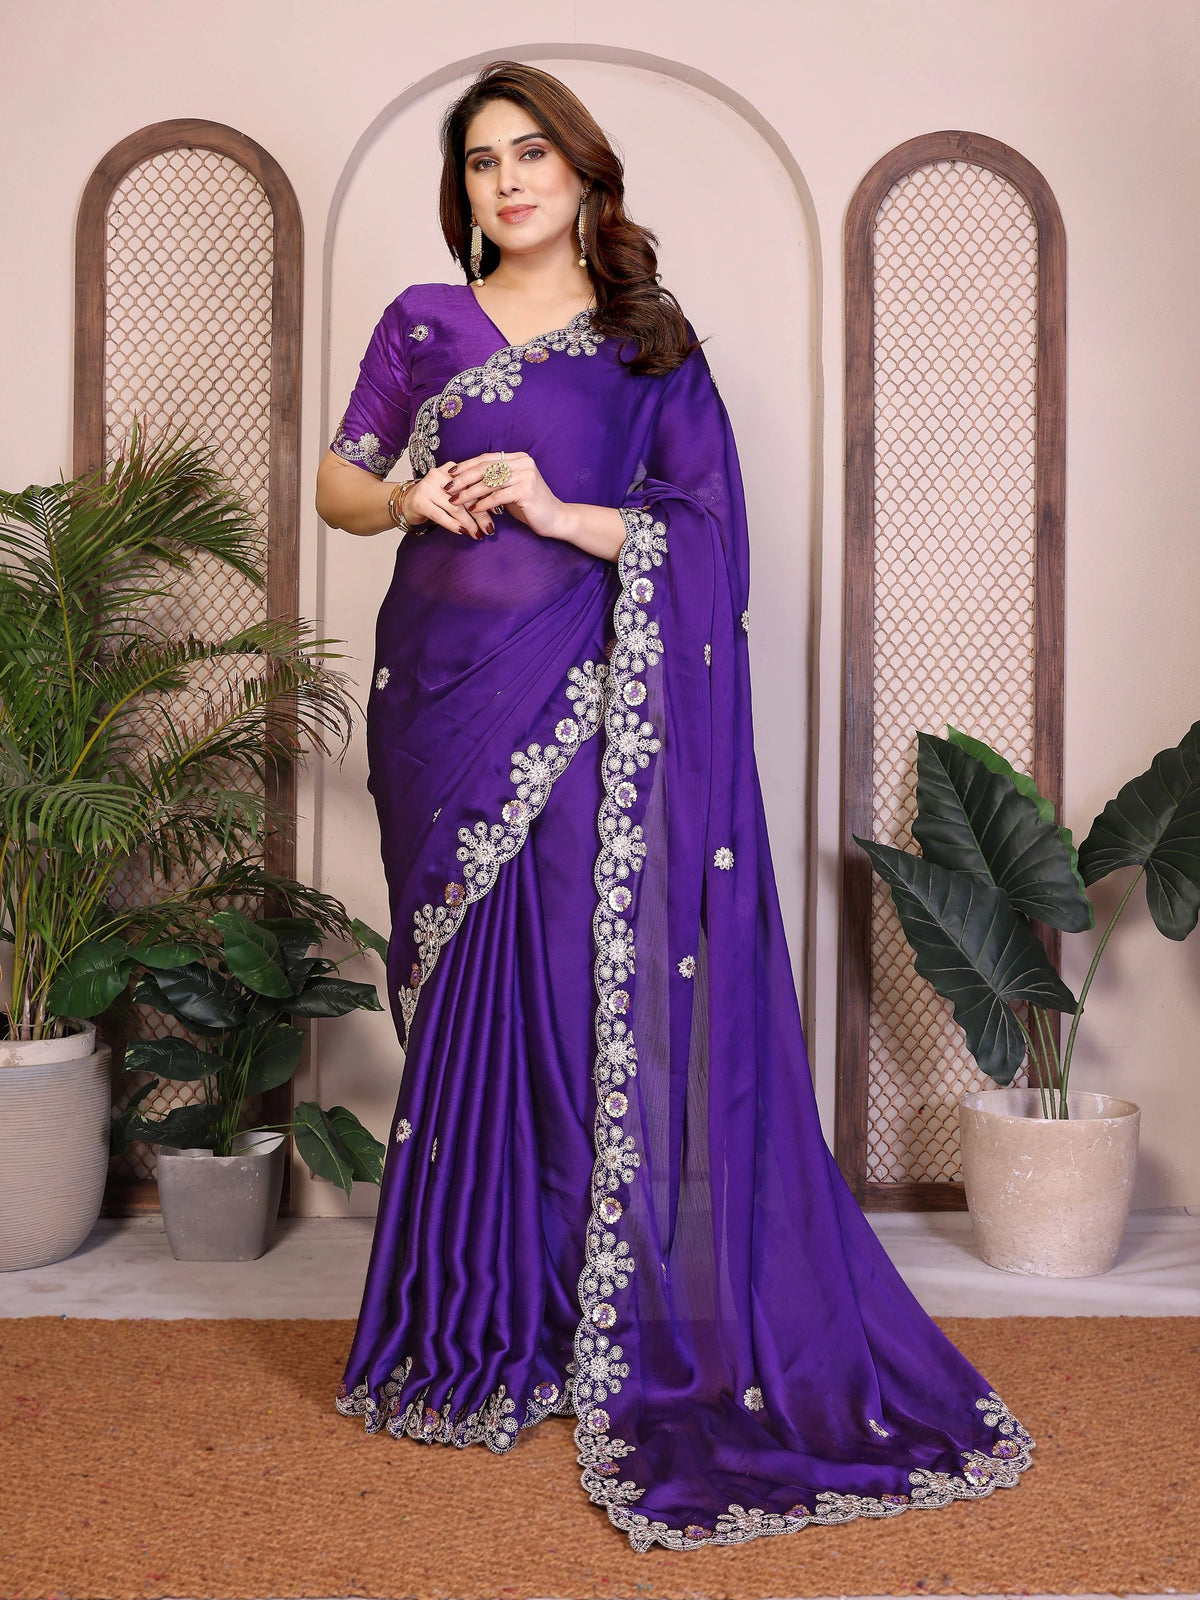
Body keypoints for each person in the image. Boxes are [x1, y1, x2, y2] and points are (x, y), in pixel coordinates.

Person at [315, 59, 1036, 1553]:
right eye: (480, 162)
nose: (506, 181)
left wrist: (553, 503)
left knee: (586, 996)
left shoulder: (649, 342)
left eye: (532, 155)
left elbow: (709, 535)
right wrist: (411, 500)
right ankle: (482, 1320)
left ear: (584, 175)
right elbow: (338, 479)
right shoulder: (419, 320)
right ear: (461, 190)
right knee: (470, 1007)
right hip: (437, 707)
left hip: (583, 701)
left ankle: (601, 1317)